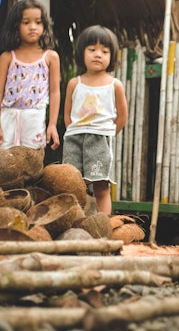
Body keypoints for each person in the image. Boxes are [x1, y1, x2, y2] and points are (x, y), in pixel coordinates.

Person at [62, 25, 128, 215]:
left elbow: (122, 115)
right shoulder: (75, 83)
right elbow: (67, 113)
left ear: (112, 56)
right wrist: (72, 132)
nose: (98, 54)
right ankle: (73, 222)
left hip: (100, 139)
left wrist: (108, 133)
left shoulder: (115, 85)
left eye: (104, 51)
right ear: (81, 53)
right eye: (92, 50)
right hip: (74, 139)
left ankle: (104, 226)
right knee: (73, 185)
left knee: (101, 186)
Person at [0, 0, 61, 151]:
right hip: (7, 116)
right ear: (16, 26)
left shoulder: (50, 57)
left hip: (35, 117)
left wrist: (52, 125)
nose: (32, 27)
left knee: (32, 161)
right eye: (26, 22)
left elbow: (55, 92)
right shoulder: (7, 57)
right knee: (2, 160)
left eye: (38, 22)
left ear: (44, 25)